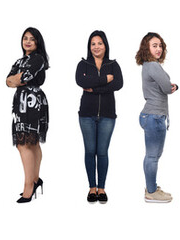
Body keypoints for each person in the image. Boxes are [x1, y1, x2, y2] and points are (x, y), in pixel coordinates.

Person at [75, 30, 123, 203]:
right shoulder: (83, 64)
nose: (96, 47)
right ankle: (91, 188)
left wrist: (94, 88)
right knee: (89, 151)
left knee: (102, 152)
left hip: (108, 115)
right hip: (86, 114)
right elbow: (81, 81)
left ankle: (101, 188)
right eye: (93, 44)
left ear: (105, 45)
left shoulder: (113, 64)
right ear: (89, 46)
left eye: (99, 43)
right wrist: (105, 80)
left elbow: (119, 84)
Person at [7, 27, 50, 203]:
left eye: (32, 39)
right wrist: (15, 79)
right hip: (20, 103)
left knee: (26, 143)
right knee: (29, 143)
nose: (28, 41)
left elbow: (23, 77)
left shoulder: (38, 58)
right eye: (25, 38)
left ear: (37, 42)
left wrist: (16, 79)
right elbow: (8, 80)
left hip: (32, 103)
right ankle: (35, 180)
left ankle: (28, 186)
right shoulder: (19, 60)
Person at [137, 32, 177, 203]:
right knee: (152, 156)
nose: (159, 48)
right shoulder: (153, 66)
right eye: (154, 45)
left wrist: (169, 86)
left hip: (153, 115)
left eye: (160, 45)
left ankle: (151, 186)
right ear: (146, 48)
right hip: (154, 116)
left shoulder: (149, 65)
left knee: (153, 155)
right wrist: (173, 86)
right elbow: (167, 88)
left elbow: (165, 87)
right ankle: (151, 192)